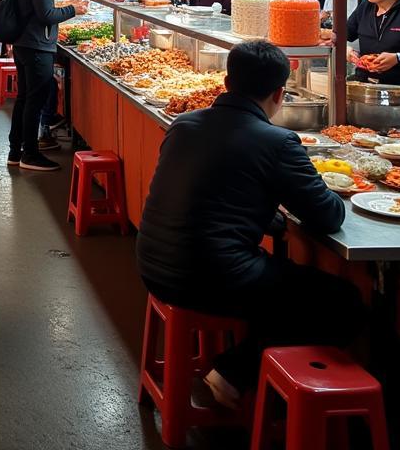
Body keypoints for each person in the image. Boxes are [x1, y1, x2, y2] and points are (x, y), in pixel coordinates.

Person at [137, 40, 358, 407]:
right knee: (342, 301)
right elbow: (329, 215)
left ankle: (242, 373)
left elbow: (215, 193)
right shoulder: (278, 141)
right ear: (280, 93)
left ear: (226, 82)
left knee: (281, 285)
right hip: (210, 278)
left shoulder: (184, 124)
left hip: (152, 264)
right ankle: (238, 375)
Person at [8, 0, 80, 171]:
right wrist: (73, 9)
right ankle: (30, 154)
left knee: (24, 98)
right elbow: (46, 15)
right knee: (34, 101)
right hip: (36, 44)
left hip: (22, 42)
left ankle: (15, 150)